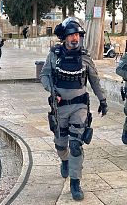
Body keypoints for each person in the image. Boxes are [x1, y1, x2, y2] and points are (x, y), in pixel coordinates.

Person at [39, 17, 108, 201]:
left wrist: (102, 100)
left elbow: (94, 79)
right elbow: (44, 75)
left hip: (79, 106)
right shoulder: (54, 55)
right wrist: (52, 91)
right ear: (64, 38)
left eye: (77, 34)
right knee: (61, 144)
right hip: (59, 107)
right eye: (71, 35)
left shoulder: (85, 56)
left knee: (76, 145)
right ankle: (64, 160)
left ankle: (75, 182)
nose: (74, 38)